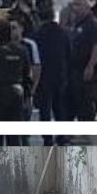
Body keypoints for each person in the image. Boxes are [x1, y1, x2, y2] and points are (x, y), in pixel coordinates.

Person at [0, 22, 32, 144]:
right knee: (15, 137)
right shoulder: (21, 50)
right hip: (17, 95)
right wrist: (26, 96)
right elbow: (27, 75)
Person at [30, 8, 71, 140]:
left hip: (44, 76)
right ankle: (62, 136)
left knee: (45, 109)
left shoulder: (37, 34)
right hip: (60, 74)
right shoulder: (63, 33)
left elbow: (34, 58)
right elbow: (69, 53)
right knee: (60, 107)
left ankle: (47, 138)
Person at [64, 0, 97, 120]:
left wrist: (91, 65)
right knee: (73, 100)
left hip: (85, 67)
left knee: (85, 101)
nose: (74, 8)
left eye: (78, 5)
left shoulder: (92, 23)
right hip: (73, 68)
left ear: (87, 7)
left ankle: (85, 133)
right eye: (73, 5)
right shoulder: (76, 23)